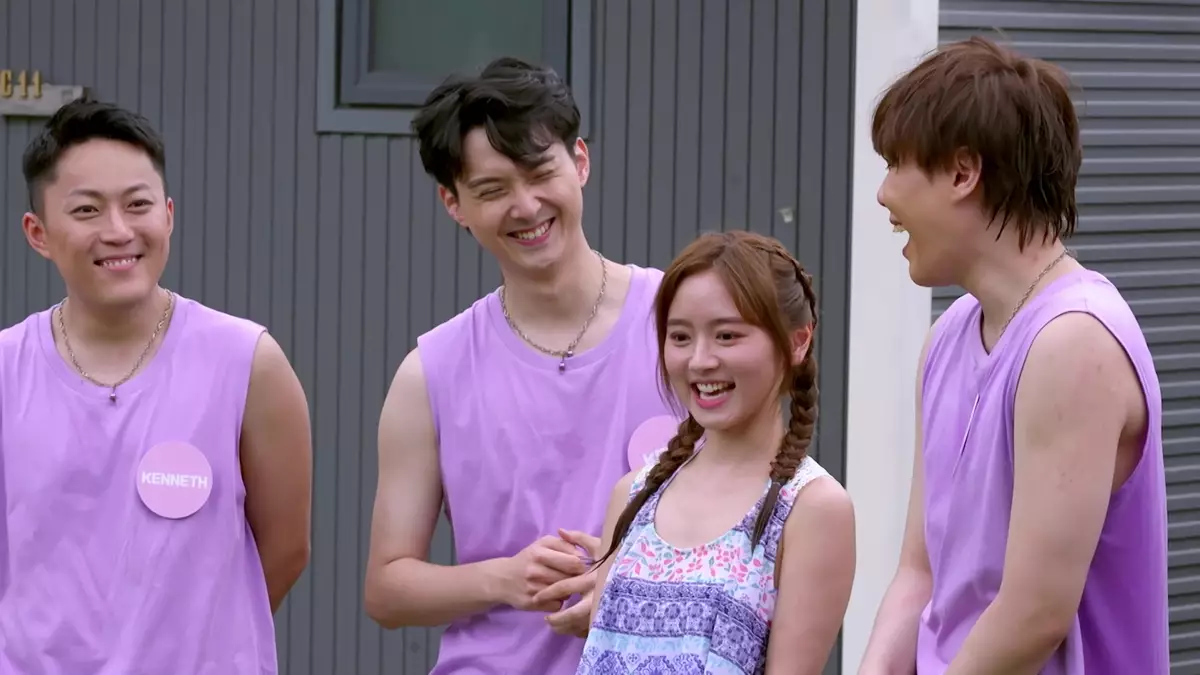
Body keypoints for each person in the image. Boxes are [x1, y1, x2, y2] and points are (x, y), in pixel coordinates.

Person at [857, 37, 1169, 675]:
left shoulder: (1074, 341)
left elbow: (1035, 615)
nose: (884, 195)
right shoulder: (948, 336)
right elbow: (920, 572)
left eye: (895, 165)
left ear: (963, 173)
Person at [363, 58, 678, 673]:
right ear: (453, 203)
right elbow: (387, 587)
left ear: (580, 162)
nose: (526, 206)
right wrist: (504, 579)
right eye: (492, 190)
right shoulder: (431, 372)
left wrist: (630, 575)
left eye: (540, 173)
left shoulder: (683, 323)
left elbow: (764, 511)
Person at [0, 98, 312, 673]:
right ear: (38, 233)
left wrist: (196, 643)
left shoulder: (248, 362)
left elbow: (287, 548)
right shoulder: (6, 370)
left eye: (138, 204)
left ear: (168, 215)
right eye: (87, 210)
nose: (119, 231)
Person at [572, 230, 856, 674]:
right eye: (680, 337)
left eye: (726, 336)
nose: (700, 360)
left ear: (798, 341)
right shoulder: (633, 495)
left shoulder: (810, 509)